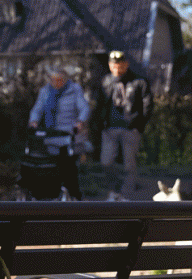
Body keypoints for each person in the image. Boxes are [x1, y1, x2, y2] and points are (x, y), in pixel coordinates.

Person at [27, 66, 90, 200]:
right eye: (53, 80)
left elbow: (84, 108)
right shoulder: (45, 91)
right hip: (52, 135)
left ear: (65, 80)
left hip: (69, 135)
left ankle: (74, 195)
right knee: (50, 166)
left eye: (59, 80)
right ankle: (53, 194)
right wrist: (33, 121)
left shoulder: (74, 90)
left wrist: (80, 122)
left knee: (68, 167)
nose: (56, 83)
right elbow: (37, 109)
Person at [98, 49, 152, 198]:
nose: (117, 68)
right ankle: (114, 190)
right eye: (114, 65)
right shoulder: (105, 82)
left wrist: (139, 126)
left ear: (126, 64)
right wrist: (100, 125)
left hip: (130, 128)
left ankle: (127, 195)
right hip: (110, 128)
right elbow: (100, 105)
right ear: (110, 66)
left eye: (120, 65)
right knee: (106, 162)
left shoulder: (139, 82)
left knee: (129, 164)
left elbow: (147, 105)